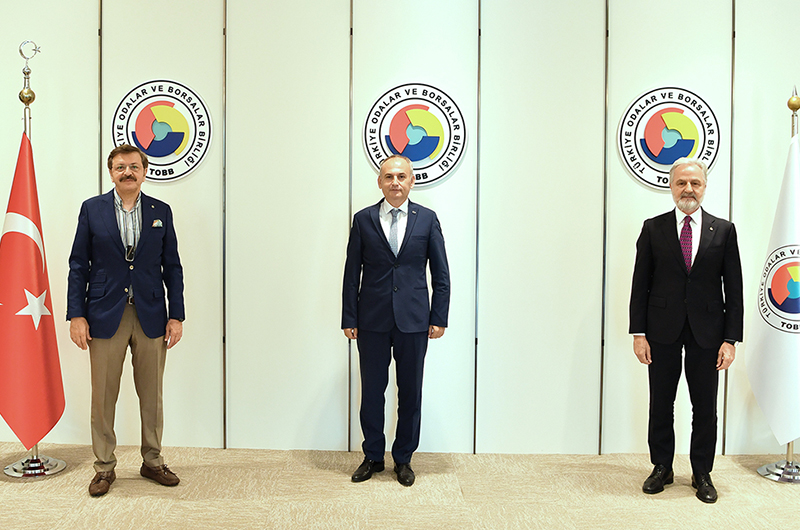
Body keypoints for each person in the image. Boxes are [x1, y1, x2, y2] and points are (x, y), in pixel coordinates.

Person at [67, 144, 185, 497]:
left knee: (152, 395)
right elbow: (78, 265)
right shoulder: (92, 209)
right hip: (104, 315)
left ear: (145, 171)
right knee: (103, 396)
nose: (128, 172)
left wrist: (176, 315)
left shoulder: (161, 211)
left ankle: (153, 461)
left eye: (134, 166)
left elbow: (172, 267)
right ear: (111, 172)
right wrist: (76, 314)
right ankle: (104, 467)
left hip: (151, 314)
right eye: (120, 167)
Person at [629, 157, 743, 503]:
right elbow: (640, 284)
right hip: (661, 330)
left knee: (705, 407)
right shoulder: (653, 228)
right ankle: (662, 467)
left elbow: (734, 288)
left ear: (704, 187)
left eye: (695, 183)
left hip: (708, 332)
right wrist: (638, 333)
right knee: (661, 403)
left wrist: (730, 339)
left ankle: (702, 472)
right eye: (681, 183)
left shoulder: (724, 230)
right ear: (671, 186)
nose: (688, 189)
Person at [342, 154, 450, 487]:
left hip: (414, 321)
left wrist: (439, 316)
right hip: (371, 320)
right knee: (372, 393)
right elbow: (351, 274)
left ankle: (403, 459)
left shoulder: (427, 220)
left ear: (412, 181)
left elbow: (441, 274)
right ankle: (373, 456)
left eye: (401, 176)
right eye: (389, 176)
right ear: (380, 182)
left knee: (411, 393)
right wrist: (349, 317)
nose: (395, 182)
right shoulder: (363, 220)